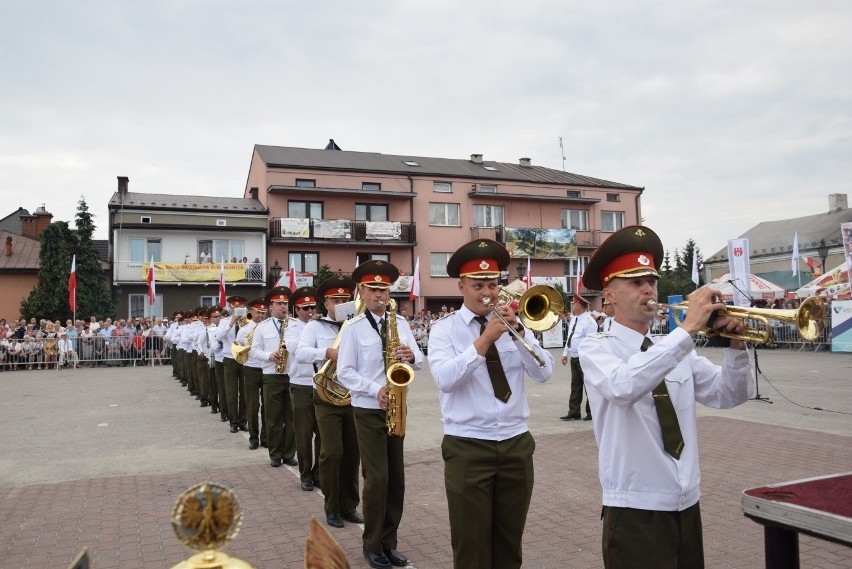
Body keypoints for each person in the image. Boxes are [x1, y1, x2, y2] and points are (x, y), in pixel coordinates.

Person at [578, 225, 754, 568]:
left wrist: (737, 345)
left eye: (652, 281)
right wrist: (688, 330)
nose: (648, 289)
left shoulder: (670, 348)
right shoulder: (596, 347)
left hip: (687, 503)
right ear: (609, 295)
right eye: (635, 282)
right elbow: (623, 386)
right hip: (634, 509)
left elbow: (730, 394)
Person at [427, 239, 553, 569]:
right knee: (471, 544)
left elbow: (545, 373)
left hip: (515, 443)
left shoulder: (514, 325)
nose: (488, 292)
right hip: (468, 445)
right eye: (478, 285)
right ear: (461, 286)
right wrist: (484, 340)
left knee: (510, 541)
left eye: (493, 284)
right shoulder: (445, 330)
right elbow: (444, 379)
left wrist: (519, 332)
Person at [337, 260, 424, 569]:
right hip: (368, 409)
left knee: (396, 480)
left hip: (397, 408)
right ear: (361, 291)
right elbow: (344, 371)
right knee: (377, 478)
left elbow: (419, 361)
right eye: (373, 289)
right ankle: (372, 544)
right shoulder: (353, 327)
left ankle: (390, 542)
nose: (380, 295)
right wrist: (375, 389)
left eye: (384, 289)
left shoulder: (399, 322)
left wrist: (411, 355)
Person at [295, 275, 363, 529]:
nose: (342, 304)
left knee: (352, 453)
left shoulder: (358, 325)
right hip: (326, 397)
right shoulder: (315, 327)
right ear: (326, 303)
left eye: (346, 299)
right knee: (332, 452)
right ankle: (332, 507)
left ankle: (349, 505)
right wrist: (326, 352)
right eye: (336, 300)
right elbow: (301, 353)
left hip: (354, 396)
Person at [249, 286, 297, 467]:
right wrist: (269, 355)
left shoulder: (296, 325)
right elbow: (253, 351)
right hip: (272, 375)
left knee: (292, 417)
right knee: (273, 417)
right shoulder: (262, 327)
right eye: (279, 304)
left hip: (292, 375)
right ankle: (275, 454)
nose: (283, 307)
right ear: (271, 307)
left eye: (285, 303)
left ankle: (289, 453)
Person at [286, 286, 323, 491]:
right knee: (303, 433)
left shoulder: (320, 325)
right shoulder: (291, 329)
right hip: (301, 385)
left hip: (321, 385)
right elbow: (297, 350)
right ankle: (305, 474)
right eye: (305, 308)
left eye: (312, 307)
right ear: (296, 310)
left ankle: (318, 472)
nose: (309, 311)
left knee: (323, 433)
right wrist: (320, 349)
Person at [560, 295, 597, 421]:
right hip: (574, 357)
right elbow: (570, 337)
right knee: (575, 385)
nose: (572, 307)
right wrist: (565, 353)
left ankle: (591, 411)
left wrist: (586, 357)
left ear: (580, 306)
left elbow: (590, 342)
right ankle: (574, 411)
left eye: (573, 305)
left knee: (588, 385)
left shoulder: (589, 321)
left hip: (584, 358)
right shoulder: (575, 319)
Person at [239, 298, 269, 447]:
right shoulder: (244, 329)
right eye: (258, 312)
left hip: (266, 368)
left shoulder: (269, 327)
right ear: (251, 312)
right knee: (252, 405)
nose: (261, 316)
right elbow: (237, 346)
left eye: (264, 312)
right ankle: (253, 438)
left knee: (267, 405)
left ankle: (265, 438)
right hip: (250, 367)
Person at [218, 297, 248, 433]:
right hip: (229, 358)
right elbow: (219, 337)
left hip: (245, 359)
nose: (237, 310)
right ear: (230, 309)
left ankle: (243, 421)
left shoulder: (247, 321)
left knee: (245, 391)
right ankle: (233, 422)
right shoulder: (224, 322)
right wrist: (231, 323)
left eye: (240, 308)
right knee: (231, 392)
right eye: (234, 308)